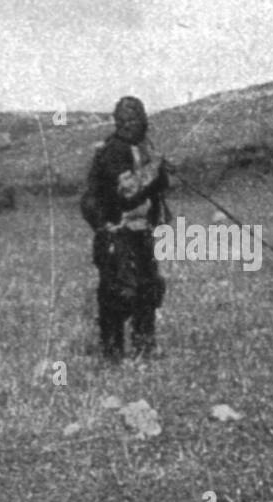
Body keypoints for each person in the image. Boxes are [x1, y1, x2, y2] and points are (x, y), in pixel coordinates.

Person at [81, 96, 171, 361]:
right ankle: (112, 354)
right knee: (117, 293)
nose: (132, 124)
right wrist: (156, 171)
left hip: (141, 231)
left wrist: (159, 172)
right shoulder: (113, 151)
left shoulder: (143, 148)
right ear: (118, 122)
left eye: (137, 119)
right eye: (125, 120)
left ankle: (145, 347)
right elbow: (128, 193)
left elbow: (154, 189)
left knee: (148, 289)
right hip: (115, 232)